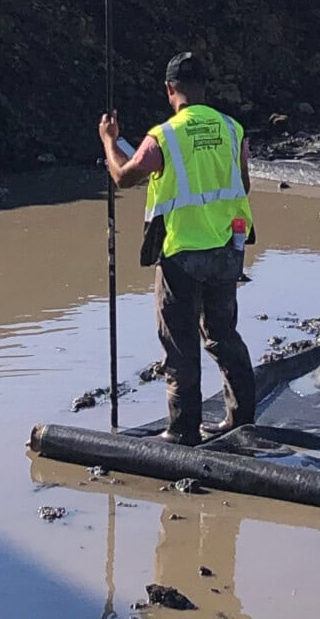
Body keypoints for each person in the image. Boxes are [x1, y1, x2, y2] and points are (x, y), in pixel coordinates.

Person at [99, 51, 257, 445]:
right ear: (204, 87)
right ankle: (241, 419)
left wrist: (109, 141)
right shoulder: (232, 129)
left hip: (183, 255)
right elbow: (243, 184)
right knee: (222, 334)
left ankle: (183, 430)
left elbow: (123, 176)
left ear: (170, 89)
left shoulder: (164, 136)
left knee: (180, 345)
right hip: (228, 248)